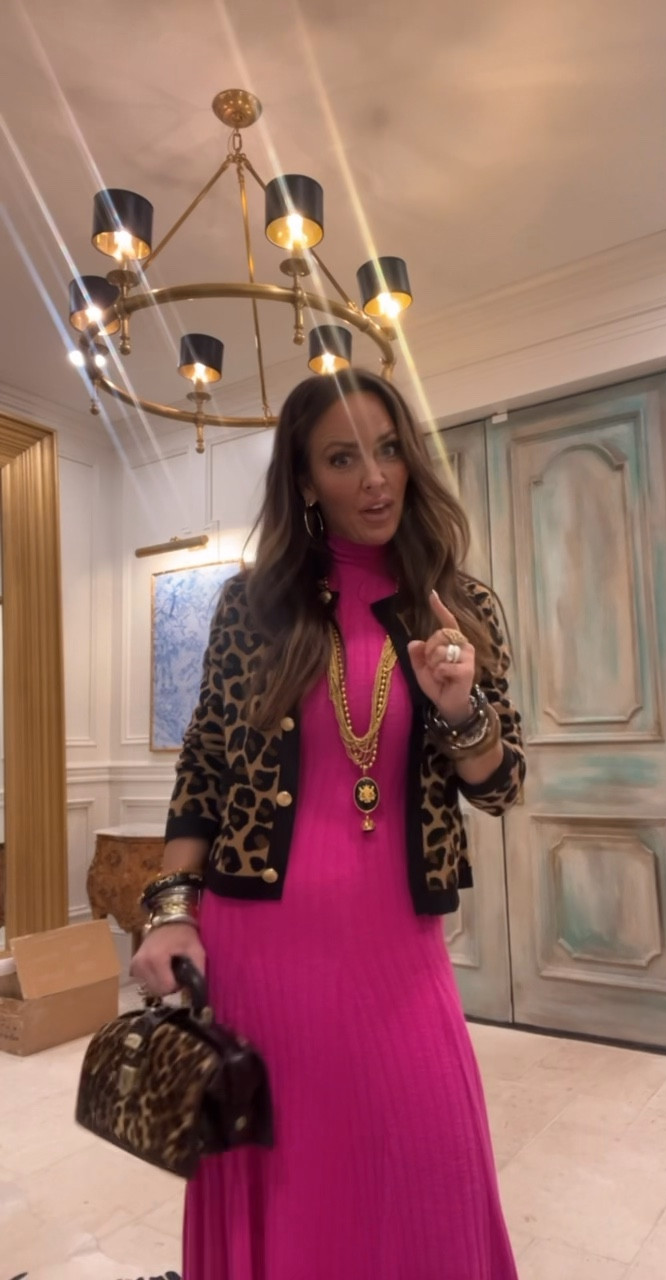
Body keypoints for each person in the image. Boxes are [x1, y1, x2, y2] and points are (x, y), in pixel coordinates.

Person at [131, 368, 526, 1280]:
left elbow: (501, 788)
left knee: (426, 1164)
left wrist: (460, 710)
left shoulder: (461, 609)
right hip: (259, 951)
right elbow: (204, 768)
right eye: (344, 459)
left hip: (397, 952)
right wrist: (172, 911)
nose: (375, 478)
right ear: (306, 481)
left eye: (388, 450)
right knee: (287, 1189)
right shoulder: (253, 607)